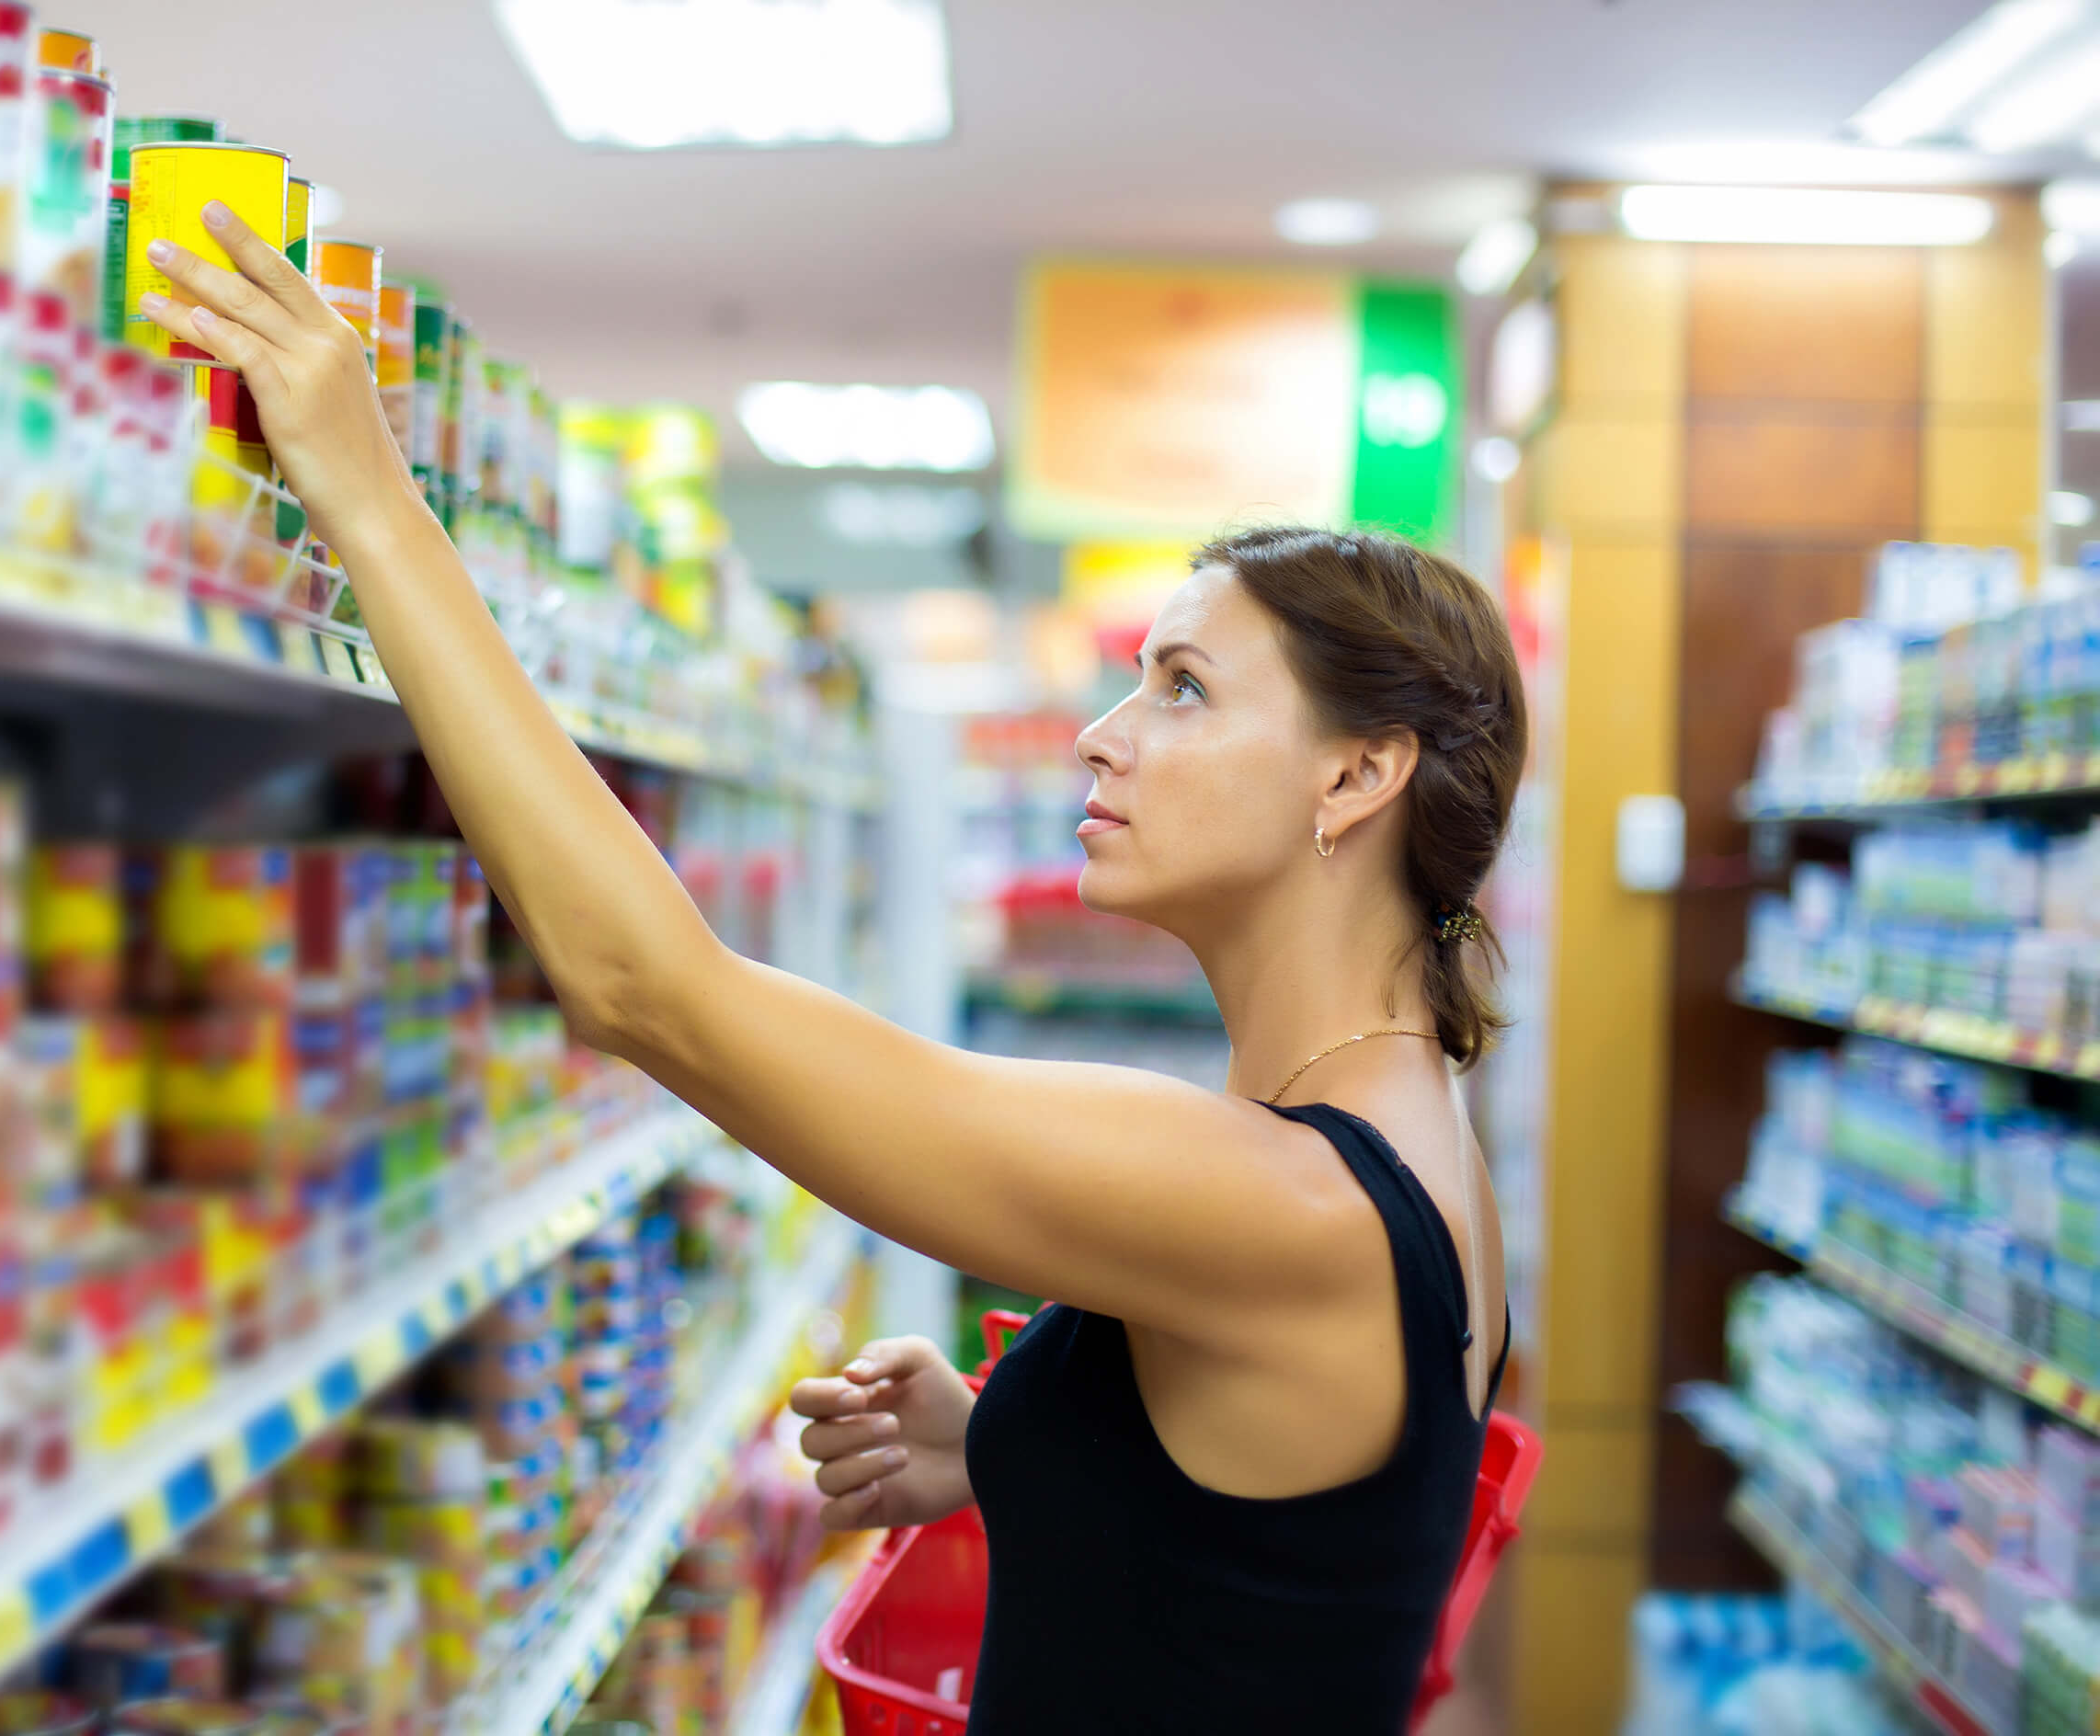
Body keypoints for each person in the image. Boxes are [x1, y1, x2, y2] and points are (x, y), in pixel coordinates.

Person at [137, 208, 1521, 1731]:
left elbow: (644, 990)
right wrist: (1017, 1444)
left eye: (1182, 689)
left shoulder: (1287, 1198)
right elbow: (1274, 1549)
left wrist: (368, 495)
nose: (1099, 735)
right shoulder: (1401, 1137)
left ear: (1357, 777)